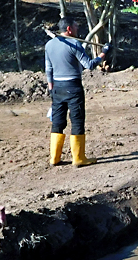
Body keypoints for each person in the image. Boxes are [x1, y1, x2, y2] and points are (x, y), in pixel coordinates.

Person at [45, 17, 110, 167]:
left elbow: (48, 69)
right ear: (68, 29)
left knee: (57, 122)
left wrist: (51, 89)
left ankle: (54, 158)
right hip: (73, 87)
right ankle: (79, 158)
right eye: (75, 27)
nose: (77, 29)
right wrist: (103, 53)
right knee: (77, 121)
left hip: (56, 88)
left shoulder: (49, 45)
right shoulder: (74, 44)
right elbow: (89, 65)